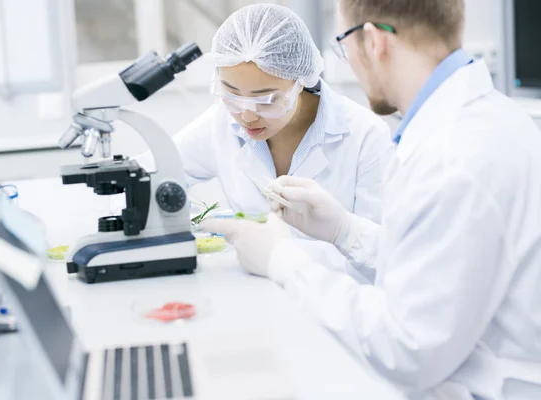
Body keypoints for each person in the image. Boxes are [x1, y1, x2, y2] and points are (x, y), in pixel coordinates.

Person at [202, 0, 541, 398]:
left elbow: (410, 350)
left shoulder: (453, 156)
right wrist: (346, 231)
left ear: (374, 41)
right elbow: (442, 265)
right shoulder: (485, 118)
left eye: (345, 46)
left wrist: (284, 261)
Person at [137, 4, 392, 230]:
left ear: (300, 81)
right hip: (253, 282)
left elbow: (381, 254)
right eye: (232, 94)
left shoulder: (366, 135)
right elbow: (144, 176)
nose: (246, 115)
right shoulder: (220, 123)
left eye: (266, 100)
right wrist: (195, 222)